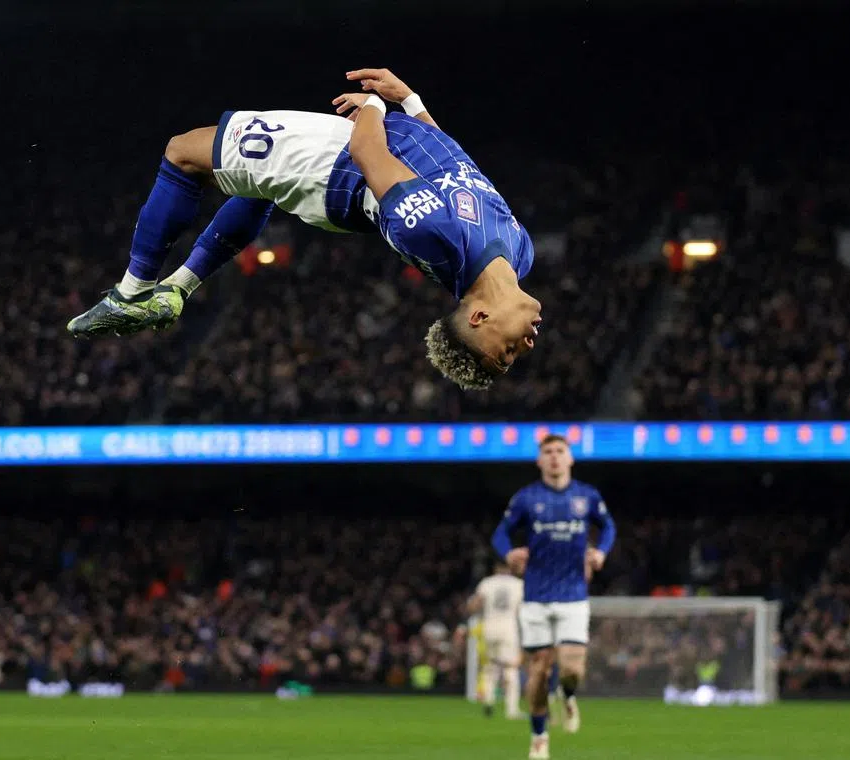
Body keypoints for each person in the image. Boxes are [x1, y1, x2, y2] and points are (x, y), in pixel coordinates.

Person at [66, 68, 542, 390]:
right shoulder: (519, 252)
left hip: (330, 165)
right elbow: (449, 164)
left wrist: (375, 103)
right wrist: (412, 102)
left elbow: (369, 153)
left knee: (182, 152)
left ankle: (132, 291)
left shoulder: (434, 235)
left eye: (506, 354)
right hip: (347, 178)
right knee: (257, 188)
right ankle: (179, 287)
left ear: (479, 318)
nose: (525, 347)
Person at [491, 434, 617, 760]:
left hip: (574, 595)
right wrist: (509, 553)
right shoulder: (526, 498)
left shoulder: (586, 497)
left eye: (560, 451)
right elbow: (500, 533)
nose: (554, 457)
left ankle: (568, 693)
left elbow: (609, 527)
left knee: (572, 669)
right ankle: (539, 738)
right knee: (537, 672)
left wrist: (601, 552)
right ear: (539, 461)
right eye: (548, 452)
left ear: (570, 458)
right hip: (535, 596)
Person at [469, 561, 525, 719]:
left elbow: (475, 605)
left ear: (495, 569)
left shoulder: (487, 583)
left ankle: (488, 700)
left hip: (489, 627)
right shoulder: (518, 584)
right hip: (508, 628)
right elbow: (524, 608)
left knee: (490, 667)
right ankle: (512, 709)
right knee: (510, 668)